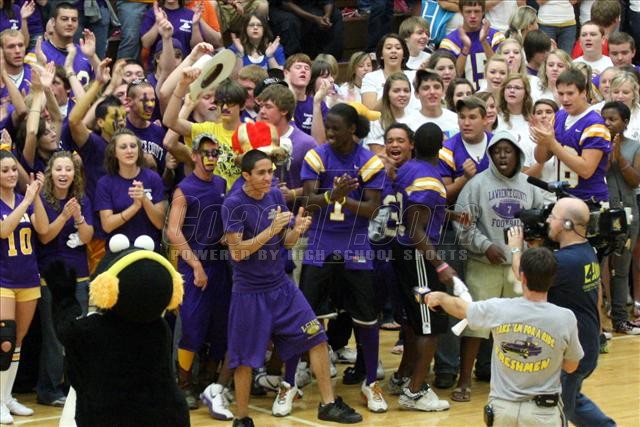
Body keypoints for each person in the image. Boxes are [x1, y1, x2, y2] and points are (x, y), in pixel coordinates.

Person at [222, 149, 363, 426]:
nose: (268, 178)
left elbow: (285, 241)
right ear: (246, 175)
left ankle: (328, 404)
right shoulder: (233, 204)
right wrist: (272, 230)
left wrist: (296, 229)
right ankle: (242, 418)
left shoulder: (275, 196)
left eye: (270, 172)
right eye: (261, 173)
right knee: (244, 360)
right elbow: (237, 252)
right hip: (250, 293)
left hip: (281, 287)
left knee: (317, 337)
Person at [425, 247, 584, 427]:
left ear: (522, 277)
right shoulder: (565, 318)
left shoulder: (499, 309)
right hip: (543, 413)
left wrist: (440, 297)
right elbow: (571, 366)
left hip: (502, 410)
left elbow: (460, 308)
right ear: (553, 279)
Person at [299, 103, 387, 413]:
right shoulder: (317, 156)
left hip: (356, 243)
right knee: (304, 314)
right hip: (320, 241)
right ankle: (291, 378)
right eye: (328, 128)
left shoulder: (369, 162)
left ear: (352, 129)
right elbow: (308, 203)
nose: (330, 133)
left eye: (336, 128)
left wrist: (344, 199)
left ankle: (371, 382)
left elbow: (373, 210)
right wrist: (330, 196)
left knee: (366, 316)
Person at [452, 130, 545, 402]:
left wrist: (529, 249)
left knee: (520, 327)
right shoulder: (477, 184)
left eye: (508, 150)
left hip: (519, 269)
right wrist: (485, 245)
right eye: (497, 151)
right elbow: (463, 224)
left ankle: (518, 382)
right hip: (483, 264)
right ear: (490, 155)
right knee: (475, 324)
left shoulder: (530, 185)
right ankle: (464, 380)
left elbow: (539, 223)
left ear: (518, 153)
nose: (502, 156)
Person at [510, 196, 616, 425]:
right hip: (587, 343)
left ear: (567, 224)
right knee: (572, 401)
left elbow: (523, 276)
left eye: (552, 216)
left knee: (556, 413)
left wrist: (515, 248)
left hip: (572, 352)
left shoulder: (565, 262)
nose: (547, 220)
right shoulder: (586, 251)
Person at [166, 134, 233, 415]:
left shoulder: (221, 184)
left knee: (220, 327)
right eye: (205, 152)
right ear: (194, 156)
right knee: (192, 326)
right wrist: (195, 265)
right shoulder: (184, 189)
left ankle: (209, 382)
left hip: (220, 265)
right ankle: (183, 384)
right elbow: (173, 232)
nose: (211, 158)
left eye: (215, 153)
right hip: (194, 266)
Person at [390, 122, 452, 412]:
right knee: (430, 325)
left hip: (400, 250)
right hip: (418, 255)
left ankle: (404, 377)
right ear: (441, 147)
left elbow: (416, 212)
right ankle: (414, 391)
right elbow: (416, 228)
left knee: (414, 322)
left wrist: (450, 214)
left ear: (414, 144)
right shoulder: (429, 179)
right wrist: (440, 264)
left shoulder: (408, 169)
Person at [35, 151, 93, 407]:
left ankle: (73, 388)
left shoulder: (82, 199)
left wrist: (78, 216)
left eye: (68, 169)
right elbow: (45, 236)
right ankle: (48, 389)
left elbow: (88, 237)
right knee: (54, 337)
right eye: (58, 169)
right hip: (52, 279)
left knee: (77, 336)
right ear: (51, 172)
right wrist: (64, 216)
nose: (63, 174)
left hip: (80, 276)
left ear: (74, 174)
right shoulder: (42, 200)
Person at [0, 151, 47, 425]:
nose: (10, 174)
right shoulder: (16, 202)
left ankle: (7, 397)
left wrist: (36, 196)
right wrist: (27, 200)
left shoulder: (24, 199)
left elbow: (43, 228)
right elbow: (4, 230)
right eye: (5, 170)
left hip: (28, 277)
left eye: (12, 170)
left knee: (18, 340)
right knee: (3, 339)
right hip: (3, 279)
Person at [532, 68, 611, 202]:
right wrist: (542, 140)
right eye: (561, 93)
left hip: (590, 200)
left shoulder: (595, 124)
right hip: (563, 198)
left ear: (583, 92)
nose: (565, 99)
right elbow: (540, 159)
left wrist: (552, 144)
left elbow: (586, 170)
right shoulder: (559, 116)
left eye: (570, 93)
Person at [601, 101, 640, 335]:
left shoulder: (635, 146)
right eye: (604, 118)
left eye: (613, 119)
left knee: (622, 267)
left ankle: (620, 319)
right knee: (599, 266)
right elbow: (596, 173)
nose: (607, 123)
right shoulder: (595, 144)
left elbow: (635, 181)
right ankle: (598, 322)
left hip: (628, 213)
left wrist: (619, 158)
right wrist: (608, 154)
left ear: (624, 122)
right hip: (602, 212)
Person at [94, 129, 167, 246]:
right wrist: (135, 207)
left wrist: (144, 200)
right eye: (123, 147)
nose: (129, 151)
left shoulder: (153, 178)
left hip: (149, 249)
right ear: (114, 152)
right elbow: (107, 226)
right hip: (118, 250)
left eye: (133, 146)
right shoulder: (105, 183)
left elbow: (160, 223)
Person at [439, 0, 504, 89]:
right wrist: (465, 49)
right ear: (461, 12)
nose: (473, 16)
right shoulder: (449, 41)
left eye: (476, 11)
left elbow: (501, 69)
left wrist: (484, 42)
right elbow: (453, 77)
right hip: (463, 95)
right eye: (468, 12)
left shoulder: (496, 36)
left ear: (483, 12)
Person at [361, 34, 418, 112]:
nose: (393, 51)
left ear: (404, 55)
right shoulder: (370, 77)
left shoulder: (415, 76)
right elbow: (369, 111)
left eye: (398, 48)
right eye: (389, 48)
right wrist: (389, 89)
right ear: (381, 55)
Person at [268, 0, 343, 60]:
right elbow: (286, 4)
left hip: (308, 6)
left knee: (336, 15)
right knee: (290, 21)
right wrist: (313, 18)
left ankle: (329, 60)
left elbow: (328, 1)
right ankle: (294, 61)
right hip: (282, 8)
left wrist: (327, 16)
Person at [363, 72, 412, 154]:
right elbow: (378, 156)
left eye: (406, 91)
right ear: (387, 94)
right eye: (396, 91)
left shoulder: (416, 117)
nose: (402, 94)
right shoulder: (377, 123)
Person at [405, 70, 459, 138]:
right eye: (426, 88)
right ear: (417, 94)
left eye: (436, 87)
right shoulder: (408, 124)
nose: (432, 92)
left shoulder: (457, 120)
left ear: (443, 92)